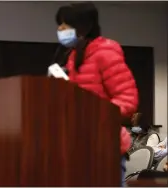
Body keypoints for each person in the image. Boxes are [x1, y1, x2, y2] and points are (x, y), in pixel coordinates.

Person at [55, 2, 138, 186]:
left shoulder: (105, 53)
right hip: (79, 145)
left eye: (65, 24)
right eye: (59, 24)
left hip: (104, 146)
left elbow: (128, 100)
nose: (60, 29)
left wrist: (95, 115)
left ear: (82, 26)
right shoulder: (73, 56)